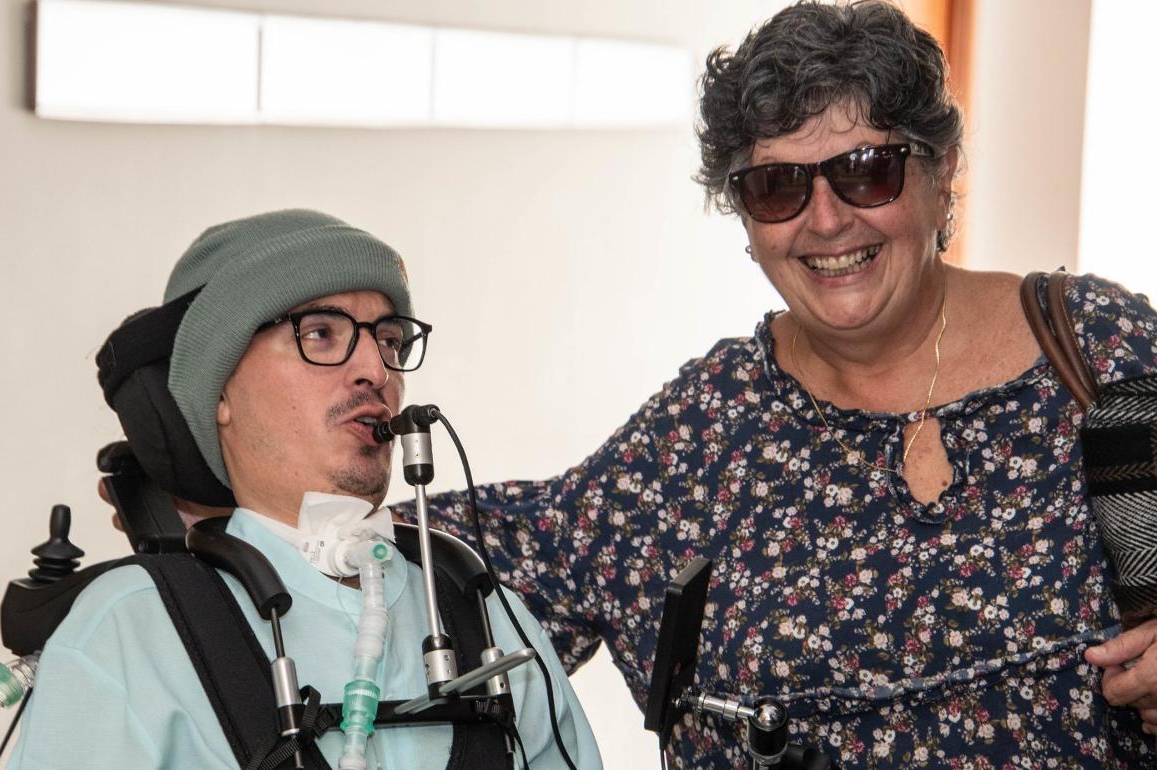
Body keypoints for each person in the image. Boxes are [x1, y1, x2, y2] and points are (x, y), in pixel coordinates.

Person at [403, 2, 1157, 767]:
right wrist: (308, 495)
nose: (825, 221)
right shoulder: (705, 429)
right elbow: (498, 560)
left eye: (867, 171)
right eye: (776, 187)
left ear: (942, 168)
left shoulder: (1096, 346)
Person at [7, 209, 601, 770]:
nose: (376, 367)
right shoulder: (130, 632)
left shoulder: (484, 611)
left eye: (390, 340)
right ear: (218, 394)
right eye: (320, 332)